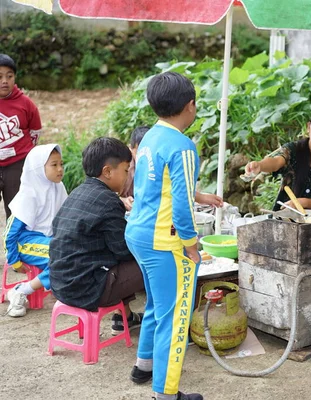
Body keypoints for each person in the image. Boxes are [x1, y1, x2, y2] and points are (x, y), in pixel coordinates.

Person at [124, 72, 205, 400]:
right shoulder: (182, 146)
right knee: (176, 316)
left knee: (158, 303)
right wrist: (192, 245)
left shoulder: (149, 139)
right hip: (165, 241)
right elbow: (184, 205)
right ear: (189, 106)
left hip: (138, 234)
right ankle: (166, 394)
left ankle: (143, 366)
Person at [49, 137, 145, 335]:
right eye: (126, 170)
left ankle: (124, 318)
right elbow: (124, 250)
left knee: (111, 260)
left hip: (60, 282)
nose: (128, 176)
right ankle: (160, 320)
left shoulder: (78, 192)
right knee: (154, 261)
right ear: (108, 171)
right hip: (86, 288)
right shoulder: (109, 201)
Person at [3, 144, 67, 317]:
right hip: (25, 242)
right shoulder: (29, 194)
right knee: (63, 256)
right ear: (38, 168)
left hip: (48, 241)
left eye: (61, 163)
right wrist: (14, 261)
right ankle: (20, 291)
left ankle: (55, 287)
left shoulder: (58, 187)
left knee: (73, 252)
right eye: (54, 165)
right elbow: (9, 233)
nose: (60, 169)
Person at [244, 108, 311, 210]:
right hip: (285, 216)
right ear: (308, 127)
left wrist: (305, 202)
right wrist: (259, 165)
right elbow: (276, 162)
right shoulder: (293, 149)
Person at [120, 125, 222, 212]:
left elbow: (176, 188)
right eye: (139, 152)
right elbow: (107, 193)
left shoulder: (161, 162)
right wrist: (123, 200)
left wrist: (202, 198)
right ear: (130, 149)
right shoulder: (125, 167)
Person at [0, 54, 43, 221]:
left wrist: (22, 155)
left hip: (17, 165)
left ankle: (14, 245)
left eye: (9, 76)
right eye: (0, 77)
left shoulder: (26, 104)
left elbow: (35, 132)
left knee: (17, 210)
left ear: (15, 77)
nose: (4, 81)